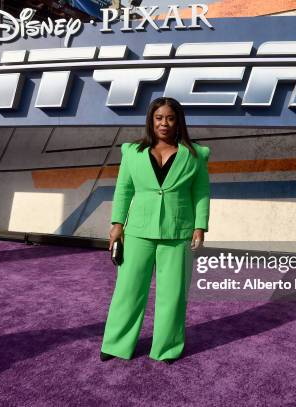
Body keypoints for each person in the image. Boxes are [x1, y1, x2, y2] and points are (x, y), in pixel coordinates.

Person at [100, 97, 211, 364]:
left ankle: (167, 347)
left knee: (173, 295)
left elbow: (201, 192)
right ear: (151, 120)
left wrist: (200, 226)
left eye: (170, 118)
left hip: (178, 232)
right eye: (159, 117)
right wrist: (117, 225)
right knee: (127, 291)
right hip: (137, 231)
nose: (164, 123)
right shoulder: (132, 152)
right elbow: (124, 189)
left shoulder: (195, 154)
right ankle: (116, 345)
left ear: (178, 121)